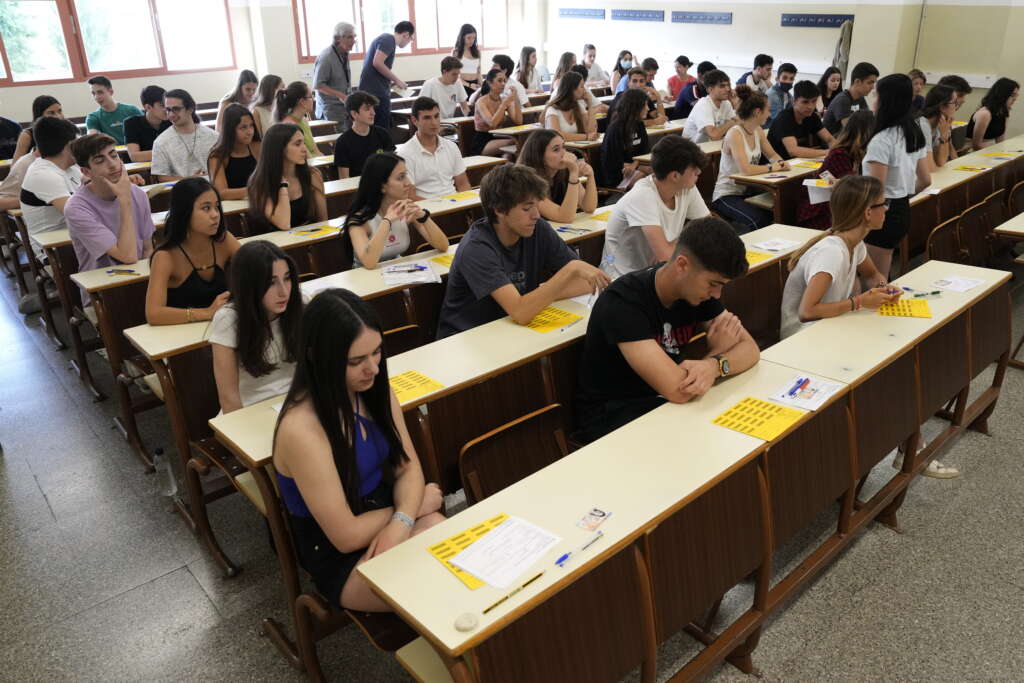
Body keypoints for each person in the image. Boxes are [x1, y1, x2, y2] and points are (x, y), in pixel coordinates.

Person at [271, 287, 446, 612]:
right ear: (317, 357)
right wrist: (411, 508)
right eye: (356, 361)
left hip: (384, 513)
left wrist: (403, 518)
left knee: (461, 566)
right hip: (336, 552)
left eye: (377, 353)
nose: (374, 369)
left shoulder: (373, 390)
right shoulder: (301, 430)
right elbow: (345, 535)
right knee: (436, 591)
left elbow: (407, 467)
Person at [574, 216, 760, 444]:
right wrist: (717, 354)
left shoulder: (696, 291)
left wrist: (713, 366)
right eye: (713, 284)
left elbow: (750, 349)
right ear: (682, 265)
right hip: (613, 417)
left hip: (663, 402)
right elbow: (678, 389)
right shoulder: (623, 302)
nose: (717, 295)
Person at [436, 164, 609, 338]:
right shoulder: (476, 248)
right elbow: (521, 313)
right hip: (466, 338)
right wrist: (569, 270)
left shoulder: (537, 228)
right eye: (526, 208)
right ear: (500, 210)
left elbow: (588, 282)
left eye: (536, 206)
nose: (536, 215)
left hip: (510, 329)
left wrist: (538, 298)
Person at [782, 174, 898, 337]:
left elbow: (872, 275)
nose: (886, 208)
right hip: (803, 335)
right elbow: (806, 312)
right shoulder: (832, 253)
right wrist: (859, 302)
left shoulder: (855, 243)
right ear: (868, 213)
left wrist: (883, 289)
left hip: (828, 324)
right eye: (883, 204)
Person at [210, 240, 303, 413]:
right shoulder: (228, 319)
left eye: (287, 278)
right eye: (271, 282)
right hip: (249, 410)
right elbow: (229, 399)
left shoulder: (299, 305)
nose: (283, 291)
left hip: (295, 404)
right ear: (249, 286)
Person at [602, 136, 711, 278]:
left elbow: (709, 228)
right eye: (694, 169)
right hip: (622, 277)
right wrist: (685, 242)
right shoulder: (642, 195)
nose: (699, 172)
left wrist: (676, 245)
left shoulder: (686, 187)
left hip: (656, 272)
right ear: (675, 176)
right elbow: (665, 256)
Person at [65, 133, 155, 305]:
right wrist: (124, 200)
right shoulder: (76, 207)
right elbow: (127, 256)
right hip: (103, 293)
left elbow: (147, 250)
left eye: (114, 155)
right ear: (86, 172)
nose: (113, 164)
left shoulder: (138, 194)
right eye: (100, 161)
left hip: (141, 281)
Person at [862, 73, 931, 280]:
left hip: (879, 212)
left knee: (874, 278)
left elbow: (876, 190)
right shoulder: (912, 131)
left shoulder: (882, 140)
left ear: (886, 101)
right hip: (900, 208)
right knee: (881, 271)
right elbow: (926, 180)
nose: (874, 102)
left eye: (877, 97)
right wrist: (901, 195)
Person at [145, 178, 241, 325]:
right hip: (181, 336)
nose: (215, 214)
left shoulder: (224, 241)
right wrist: (207, 312)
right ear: (185, 212)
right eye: (206, 208)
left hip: (222, 328)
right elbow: (153, 314)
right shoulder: (165, 257)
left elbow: (255, 266)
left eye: (217, 207)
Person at [343, 152, 449, 268]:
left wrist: (423, 216)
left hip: (397, 275)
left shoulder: (406, 209)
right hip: (366, 280)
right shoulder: (359, 220)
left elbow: (443, 246)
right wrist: (387, 221)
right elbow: (369, 262)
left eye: (406, 175)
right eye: (400, 177)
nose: (408, 183)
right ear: (382, 186)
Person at [713, 86, 790, 234]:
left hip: (747, 191)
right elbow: (745, 169)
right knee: (758, 219)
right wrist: (772, 168)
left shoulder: (758, 131)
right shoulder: (734, 134)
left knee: (778, 211)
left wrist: (781, 163)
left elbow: (772, 155)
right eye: (767, 110)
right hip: (726, 195)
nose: (769, 113)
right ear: (757, 112)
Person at [796, 110, 874, 229]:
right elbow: (851, 191)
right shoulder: (840, 154)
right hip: (819, 214)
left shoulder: (856, 153)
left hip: (836, 209)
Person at [20, 117, 83, 258]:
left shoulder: (72, 167)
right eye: (78, 142)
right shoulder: (42, 174)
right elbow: (77, 214)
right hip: (55, 251)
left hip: (75, 239)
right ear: (69, 145)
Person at [246, 123, 327, 232]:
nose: (304, 149)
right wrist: (282, 184)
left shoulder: (312, 175)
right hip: (274, 245)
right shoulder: (259, 183)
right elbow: (284, 224)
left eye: (303, 143)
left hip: (307, 241)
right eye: (297, 144)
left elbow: (323, 221)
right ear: (279, 149)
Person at [516, 129, 597, 223]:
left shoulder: (564, 171)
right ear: (540, 156)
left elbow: (589, 207)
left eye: (563, 147)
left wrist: (591, 176)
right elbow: (565, 217)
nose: (564, 153)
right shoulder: (527, 182)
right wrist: (574, 174)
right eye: (556, 149)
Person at [396, 97, 470, 198]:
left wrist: (465, 206)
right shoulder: (405, 154)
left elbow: (463, 185)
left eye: (436, 116)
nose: (434, 123)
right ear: (414, 120)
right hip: (427, 209)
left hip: (454, 204)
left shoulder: (451, 146)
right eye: (427, 118)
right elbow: (410, 196)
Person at [151, 89, 219, 182]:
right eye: (168, 110)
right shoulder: (161, 142)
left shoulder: (213, 136)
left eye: (176, 109)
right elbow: (162, 177)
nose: (171, 114)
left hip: (214, 188)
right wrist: (189, 180)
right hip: (183, 191)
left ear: (190, 109)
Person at [359, 21, 416, 129]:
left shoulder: (387, 40)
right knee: (381, 130)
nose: (410, 42)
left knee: (378, 130)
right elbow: (377, 62)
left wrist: (394, 82)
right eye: (411, 39)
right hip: (375, 93)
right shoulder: (388, 39)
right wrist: (397, 80)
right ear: (406, 35)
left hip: (375, 91)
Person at [332, 91, 396, 179]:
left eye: (373, 108)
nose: (373, 113)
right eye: (367, 109)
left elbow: (393, 166)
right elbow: (344, 179)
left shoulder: (382, 134)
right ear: (354, 114)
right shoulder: (343, 142)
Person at [767, 80, 835, 159]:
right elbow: (793, 151)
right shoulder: (784, 118)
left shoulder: (812, 116)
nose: (810, 106)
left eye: (814, 101)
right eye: (805, 102)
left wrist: (837, 150)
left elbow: (830, 139)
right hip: (777, 165)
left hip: (798, 163)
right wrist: (826, 152)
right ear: (794, 101)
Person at [599, 88, 651, 189]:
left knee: (658, 170)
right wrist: (634, 166)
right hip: (619, 176)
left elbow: (645, 153)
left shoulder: (639, 124)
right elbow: (613, 161)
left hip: (635, 169)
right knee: (650, 176)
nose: (648, 109)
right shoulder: (615, 128)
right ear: (635, 107)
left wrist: (635, 165)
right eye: (645, 105)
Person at [208, 104, 261, 201]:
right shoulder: (217, 156)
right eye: (243, 127)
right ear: (230, 130)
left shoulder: (257, 146)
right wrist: (253, 190)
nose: (250, 132)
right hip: (233, 210)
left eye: (251, 126)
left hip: (258, 203)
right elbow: (221, 193)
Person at [313, 22, 356, 132]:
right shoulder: (326, 57)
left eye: (354, 37)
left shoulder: (344, 53)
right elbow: (318, 85)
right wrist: (341, 95)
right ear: (338, 38)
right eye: (350, 37)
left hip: (344, 108)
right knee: (338, 145)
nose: (353, 41)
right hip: (331, 111)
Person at [471, 69, 523, 156]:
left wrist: (516, 99)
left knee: (509, 154)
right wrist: (504, 104)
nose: (503, 84)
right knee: (514, 142)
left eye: (504, 81)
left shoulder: (503, 100)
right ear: (490, 83)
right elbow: (492, 124)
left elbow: (518, 121)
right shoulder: (481, 102)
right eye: (499, 81)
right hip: (483, 141)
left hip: (498, 136)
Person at [823, 62, 879, 135]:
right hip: (834, 143)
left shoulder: (860, 99)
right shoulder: (843, 100)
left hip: (848, 141)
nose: (873, 87)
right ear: (857, 82)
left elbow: (868, 122)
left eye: (874, 83)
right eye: (869, 83)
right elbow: (850, 130)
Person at [85, 76, 142, 146]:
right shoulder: (93, 117)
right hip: (113, 155)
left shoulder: (132, 110)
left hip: (137, 151)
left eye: (100, 92)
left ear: (111, 92)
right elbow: (91, 139)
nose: (96, 97)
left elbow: (147, 131)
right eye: (93, 93)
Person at [682, 69, 736, 143]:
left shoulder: (726, 103)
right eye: (722, 86)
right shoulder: (703, 104)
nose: (728, 89)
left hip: (710, 147)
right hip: (690, 148)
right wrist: (734, 121)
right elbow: (714, 135)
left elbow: (730, 130)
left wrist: (736, 104)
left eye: (728, 85)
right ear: (710, 89)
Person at [965, 77, 1019, 150]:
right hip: (972, 152)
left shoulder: (1004, 112)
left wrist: (1004, 152)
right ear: (1002, 95)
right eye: (1012, 95)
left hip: (989, 150)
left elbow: (1000, 141)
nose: (1015, 99)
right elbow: (976, 145)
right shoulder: (985, 114)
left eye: (1016, 95)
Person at [543, 72, 596, 143]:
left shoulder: (578, 107)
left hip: (576, 149)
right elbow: (556, 136)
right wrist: (585, 137)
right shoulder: (552, 110)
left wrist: (590, 105)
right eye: (582, 86)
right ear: (572, 89)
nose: (585, 90)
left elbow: (591, 132)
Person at [123, 85, 171, 162]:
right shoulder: (131, 123)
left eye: (167, 104)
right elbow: (135, 156)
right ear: (148, 107)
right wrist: (170, 153)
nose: (167, 109)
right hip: (145, 170)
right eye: (162, 105)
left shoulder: (172, 120)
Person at [274, 81, 319, 157]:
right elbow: (306, 157)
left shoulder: (304, 120)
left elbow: (315, 150)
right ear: (302, 102)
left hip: (316, 162)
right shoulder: (290, 125)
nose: (314, 99)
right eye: (311, 97)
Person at [918, 85, 958, 168]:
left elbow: (941, 161)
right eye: (954, 102)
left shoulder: (941, 125)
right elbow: (930, 167)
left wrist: (944, 136)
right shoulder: (923, 125)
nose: (956, 106)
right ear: (942, 106)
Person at [13, 96, 62, 162]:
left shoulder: (66, 132)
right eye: (51, 113)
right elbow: (15, 166)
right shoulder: (27, 135)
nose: (58, 116)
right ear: (39, 116)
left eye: (59, 111)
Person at [453, 24, 481, 93]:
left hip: (476, 85)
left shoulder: (477, 52)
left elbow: (479, 72)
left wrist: (481, 85)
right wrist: (469, 85)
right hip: (462, 85)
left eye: (474, 38)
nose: (472, 40)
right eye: (469, 38)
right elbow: (455, 75)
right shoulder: (456, 52)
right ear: (462, 37)